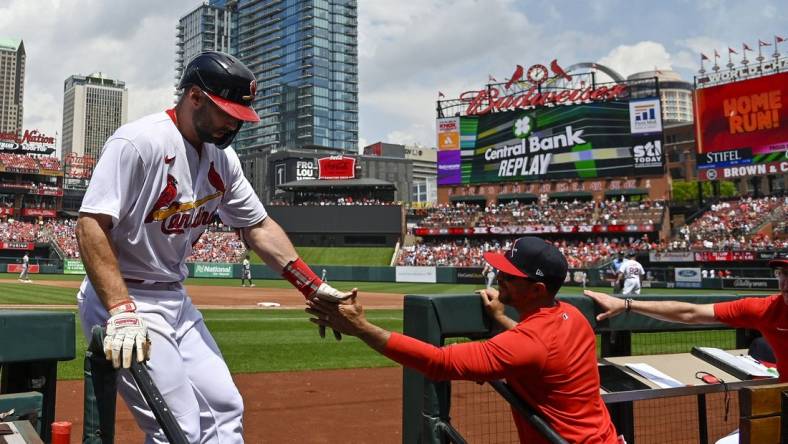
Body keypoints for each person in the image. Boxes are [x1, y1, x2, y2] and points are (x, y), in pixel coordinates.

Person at [75, 51, 353, 443]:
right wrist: (120, 309)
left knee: (225, 410)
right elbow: (90, 224)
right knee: (179, 427)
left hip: (174, 297)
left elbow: (256, 226)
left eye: (240, 116)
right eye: (226, 112)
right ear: (193, 97)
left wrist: (312, 285)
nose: (233, 124)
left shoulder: (225, 160)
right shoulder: (140, 142)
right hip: (123, 296)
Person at [307, 237, 620, 443]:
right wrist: (499, 316)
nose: (498, 279)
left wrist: (362, 327)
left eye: (508, 277)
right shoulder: (571, 316)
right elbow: (537, 349)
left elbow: (439, 362)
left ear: (537, 290)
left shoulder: (530, 343)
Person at [584, 258, 788, 381]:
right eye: (783, 273)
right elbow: (690, 313)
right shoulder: (766, 309)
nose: (785, 282)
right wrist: (627, 304)